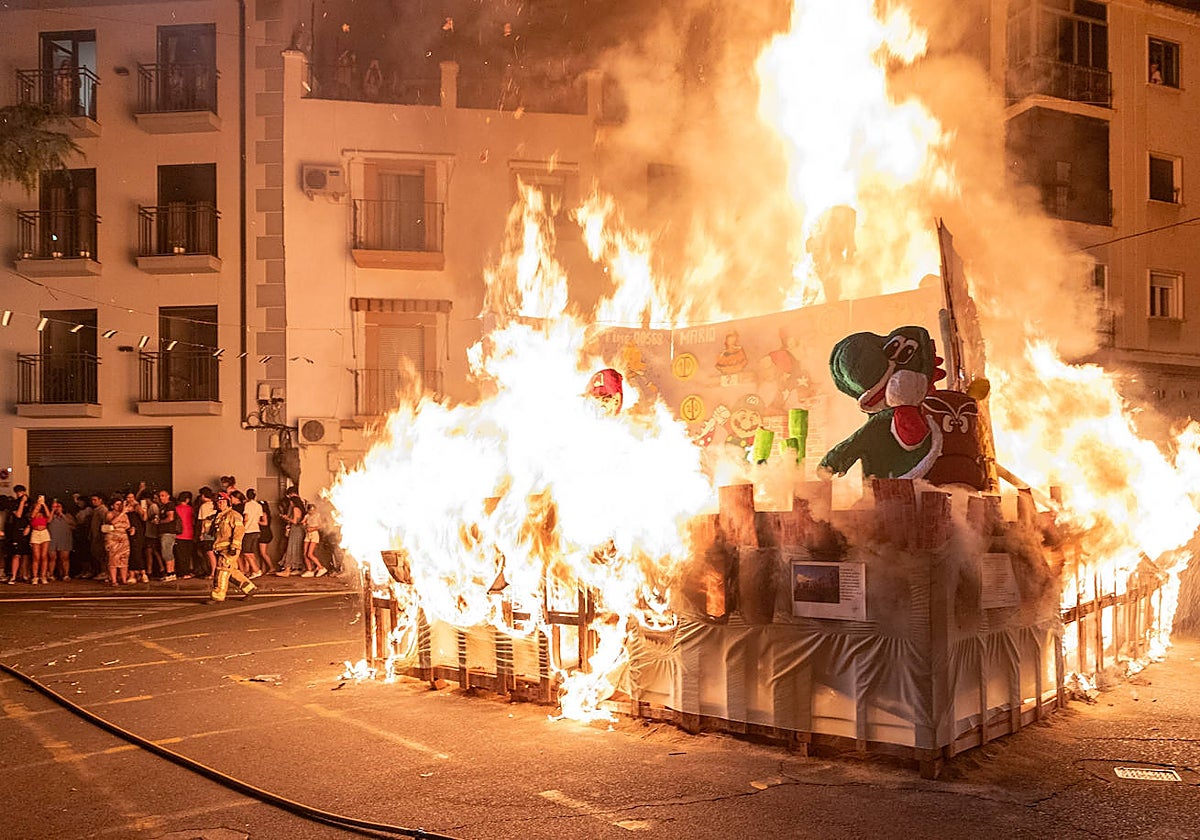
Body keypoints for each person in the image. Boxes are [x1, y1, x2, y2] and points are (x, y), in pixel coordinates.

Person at [208, 492, 257, 603]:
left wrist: (234, 546)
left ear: (228, 503)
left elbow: (239, 531)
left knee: (222, 571)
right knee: (231, 572)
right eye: (217, 502)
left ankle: (218, 596)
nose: (219, 504)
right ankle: (250, 589)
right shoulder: (218, 516)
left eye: (222, 502)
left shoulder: (234, 515)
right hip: (221, 549)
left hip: (229, 548)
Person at [275, 487, 306, 576]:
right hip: (299, 530)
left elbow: (295, 521)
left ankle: (287, 570)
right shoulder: (301, 508)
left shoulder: (295, 508)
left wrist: (286, 518)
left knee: (291, 548)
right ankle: (297, 567)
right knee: (297, 549)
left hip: (295, 530)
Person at [103, 496, 132, 587]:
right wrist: (122, 513)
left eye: (120, 504)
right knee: (113, 559)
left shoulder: (125, 515)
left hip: (123, 538)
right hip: (113, 539)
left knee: (124, 558)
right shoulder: (109, 514)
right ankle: (114, 580)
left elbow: (127, 525)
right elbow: (112, 522)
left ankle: (124, 579)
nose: (119, 506)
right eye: (117, 504)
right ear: (112, 506)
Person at [6, 486, 32, 584]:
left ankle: (24, 574)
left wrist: (29, 527)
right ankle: (13, 576)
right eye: (17, 492)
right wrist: (21, 502)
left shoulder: (30, 502)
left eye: (21, 492)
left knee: (25, 554)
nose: (19, 494)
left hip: (27, 529)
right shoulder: (14, 503)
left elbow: (32, 515)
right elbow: (18, 515)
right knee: (16, 554)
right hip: (16, 530)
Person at [47, 499, 75, 581]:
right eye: (54, 507)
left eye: (58, 506)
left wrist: (62, 514)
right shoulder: (50, 515)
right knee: (52, 557)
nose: (56, 508)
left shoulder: (68, 516)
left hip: (64, 539)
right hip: (52, 538)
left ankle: (65, 574)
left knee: (64, 558)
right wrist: (52, 511)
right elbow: (48, 521)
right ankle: (51, 574)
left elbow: (72, 524)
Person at [124, 490, 148, 584]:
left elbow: (144, 518)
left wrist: (143, 510)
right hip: (128, 530)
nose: (130, 499)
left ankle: (142, 572)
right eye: (128, 497)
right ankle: (133, 573)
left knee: (136, 551)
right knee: (130, 552)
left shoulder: (136, 507)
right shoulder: (124, 507)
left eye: (132, 497)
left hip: (137, 531)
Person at [27, 494, 51, 584]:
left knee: (44, 556)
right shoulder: (32, 512)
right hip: (35, 533)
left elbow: (49, 516)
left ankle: (43, 576)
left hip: (44, 533)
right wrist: (38, 504)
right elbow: (33, 515)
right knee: (36, 556)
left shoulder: (44, 513)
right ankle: (35, 577)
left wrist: (44, 504)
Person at [241, 488, 264, 578]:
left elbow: (246, 517)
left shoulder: (247, 505)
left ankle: (256, 570)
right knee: (251, 552)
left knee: (246, 552)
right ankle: (253, 570)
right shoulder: (259, 506)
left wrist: (243, 527)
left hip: (248, 531)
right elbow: (258, 519)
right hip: (256, 530)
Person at [301, 502, 329, 577]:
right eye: (310, 510)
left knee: (309, 554)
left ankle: (321, 567)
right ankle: (309, 570)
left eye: (313, 510)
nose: (312, 512)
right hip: (307, 534)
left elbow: (321, 526)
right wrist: (303, 524)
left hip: (314, 534)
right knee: (305, 553)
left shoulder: (317, 516)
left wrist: (313, 529)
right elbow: (303, 522)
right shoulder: (307, 516)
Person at [155, 489, 178, 581]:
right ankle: (171, 572)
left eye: (163, 495)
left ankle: (170, 572)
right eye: (160, 496)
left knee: (166, 552)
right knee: (168, 552)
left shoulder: (169, 506)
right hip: (165, 532)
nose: (161, 498)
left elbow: (170, 518)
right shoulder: (163, 507)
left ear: (168, 496)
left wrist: (160, 522)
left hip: (168, 532)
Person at [195, 486, 217, 579]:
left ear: (203, 496)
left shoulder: (204, 506)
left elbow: (203, 521)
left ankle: (213, 572)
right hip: (217, 531)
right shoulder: (216, 504)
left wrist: (201, 533)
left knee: (209, 552)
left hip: (208, 532)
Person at [254, 489, 278, 574]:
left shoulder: (263, 513)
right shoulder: (267, 512)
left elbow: (265, 523)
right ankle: (264, 568)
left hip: (264, 534)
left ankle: (271, 567)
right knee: (262, 553)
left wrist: (256, 521)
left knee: (263, 553)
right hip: (266, 533)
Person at [174, 490, 196, 579]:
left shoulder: (176, 508)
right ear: (187, 500)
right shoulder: (191, 509)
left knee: (179, 555)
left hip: (178, 534)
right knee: (187, 555)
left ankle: (180, 572)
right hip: (189, 534)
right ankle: (186, 572)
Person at [87, 492, 109, 580]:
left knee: (101, 555)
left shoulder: (103, 510)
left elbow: (105, 523)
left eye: (95, 500)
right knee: (97, 554)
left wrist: (103, 536)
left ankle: (105, 572)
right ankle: (102, 571)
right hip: (95, 536)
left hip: (100, 537)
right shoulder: (96, 510)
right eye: (92, 500)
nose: (93, 502)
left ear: (100, 500)